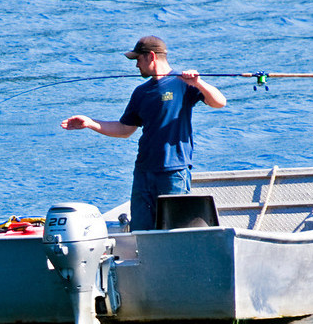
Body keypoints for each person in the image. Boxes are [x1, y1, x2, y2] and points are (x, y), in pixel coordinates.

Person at [61, 35, 227, 231]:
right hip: (143, 172)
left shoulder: (183, 84)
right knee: (140, 230)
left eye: (138, 59)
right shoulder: (141, 92)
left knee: (175, 230)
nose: (136, 65)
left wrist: (198, 83)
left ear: (151, 56)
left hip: (173, 171)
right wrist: (90, 123)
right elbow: (124, 129)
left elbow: (219, 102)